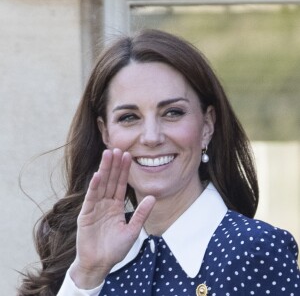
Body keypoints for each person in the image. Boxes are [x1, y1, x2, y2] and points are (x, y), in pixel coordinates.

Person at [18, 29, 300, 296]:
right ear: (105, 133)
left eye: (173, 113)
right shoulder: (88, 257)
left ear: (207, 126)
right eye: (129, 117)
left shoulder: (256, 250)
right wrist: (87, 274)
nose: (151, 137)